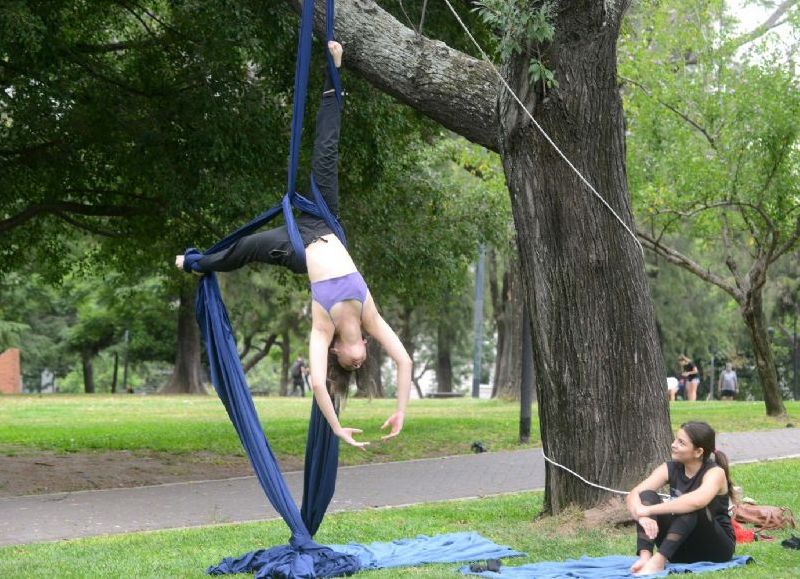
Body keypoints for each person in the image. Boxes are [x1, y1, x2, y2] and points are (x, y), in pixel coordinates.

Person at [176, 42, 411, 449]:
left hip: (297, 248)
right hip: (326, 222)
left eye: (347, 364)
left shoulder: (323, 328)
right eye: (360, 363)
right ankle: (334, 72)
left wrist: (336, 427)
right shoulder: (370, 316)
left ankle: (198, 263)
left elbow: (318, 381)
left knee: (247, 247)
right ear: (364, 346)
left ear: (337, 349)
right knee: (327, 152)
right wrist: (402, 409)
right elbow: (404, 361)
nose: (356, 362)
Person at [626, 421, 735, 575]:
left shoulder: (715, 472)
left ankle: (659, 561)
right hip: (678, 549)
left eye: (681, 442)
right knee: (646, 495)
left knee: (691, 508)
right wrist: (642, 515)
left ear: (698, 452)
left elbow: (696, 501)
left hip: (715, 549)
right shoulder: (670, 468)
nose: (673, 445)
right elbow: (633, 494)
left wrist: (648, 510)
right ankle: (645, 558)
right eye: (676, 439)